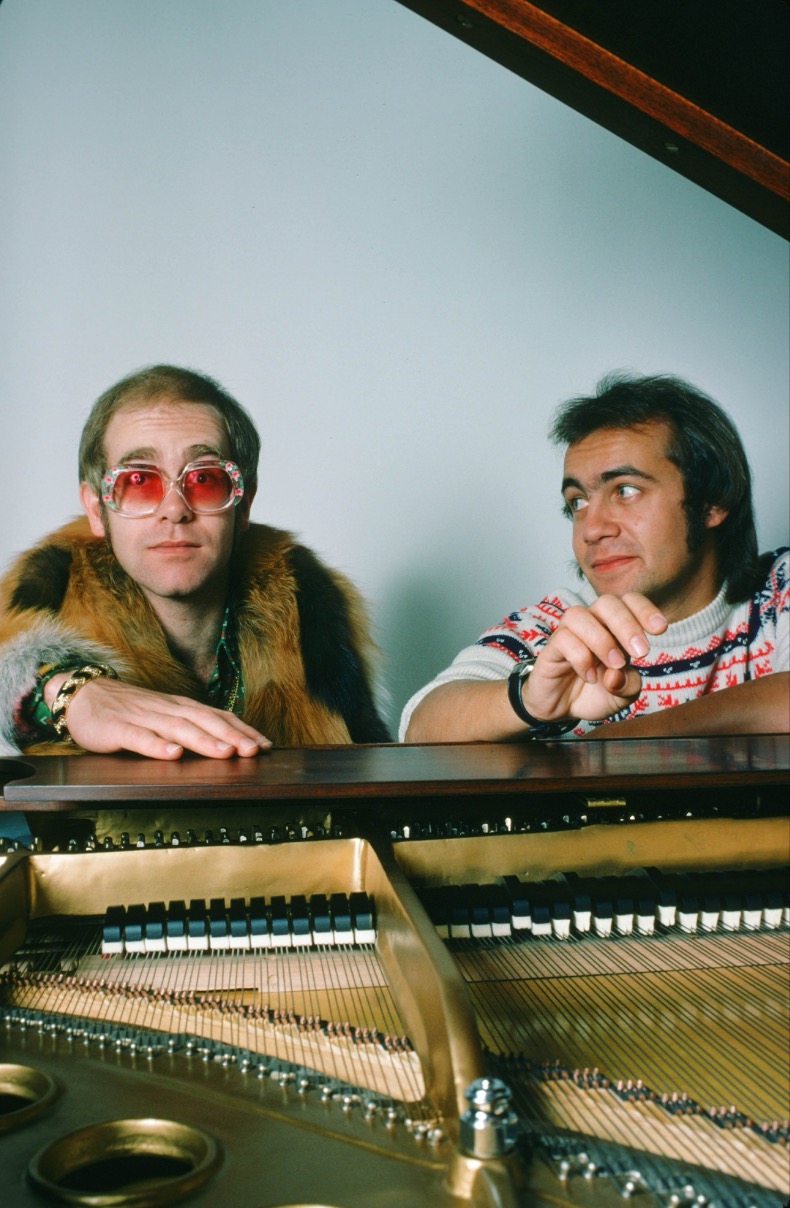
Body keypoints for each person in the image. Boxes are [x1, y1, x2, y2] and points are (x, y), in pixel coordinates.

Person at [0, 365, 390, 759]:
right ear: (96, 510)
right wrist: (71, 694)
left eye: (204, 479)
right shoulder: (47, 590)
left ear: (242, 505)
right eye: (138, 480)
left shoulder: (313, 610)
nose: (174, 509)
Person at [401, 373, 789, 743]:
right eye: (578, 502)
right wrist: (530, 700)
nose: (592, 529)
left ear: (712, 501)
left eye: (625, 490)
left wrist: (624, 739)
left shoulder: (778, 591)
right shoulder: (557, 629)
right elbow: (419, 725)